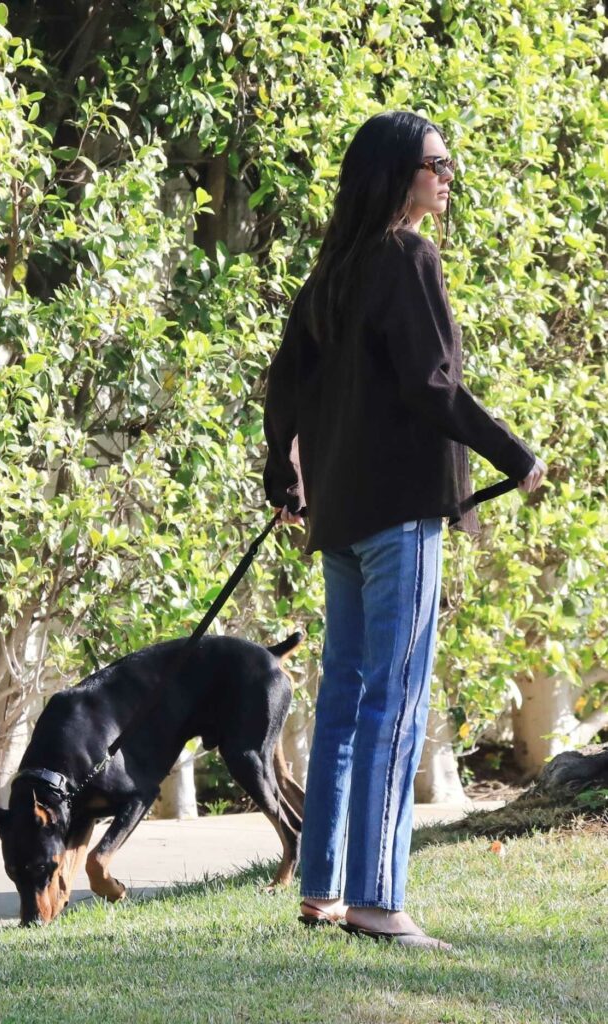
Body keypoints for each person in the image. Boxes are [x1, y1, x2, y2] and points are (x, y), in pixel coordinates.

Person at [262, 111, 547, 951]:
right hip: (398, 519)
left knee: (347, 704)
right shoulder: (405, 257)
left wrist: (282, 480)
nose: (446, 175)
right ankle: (379, 902)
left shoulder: (330, 276)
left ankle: (321, 893)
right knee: (394, 703)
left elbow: (283, 391)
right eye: (435, 163)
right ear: (396, 174)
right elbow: (432, 388)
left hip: (343, 523)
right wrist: (516, 454)